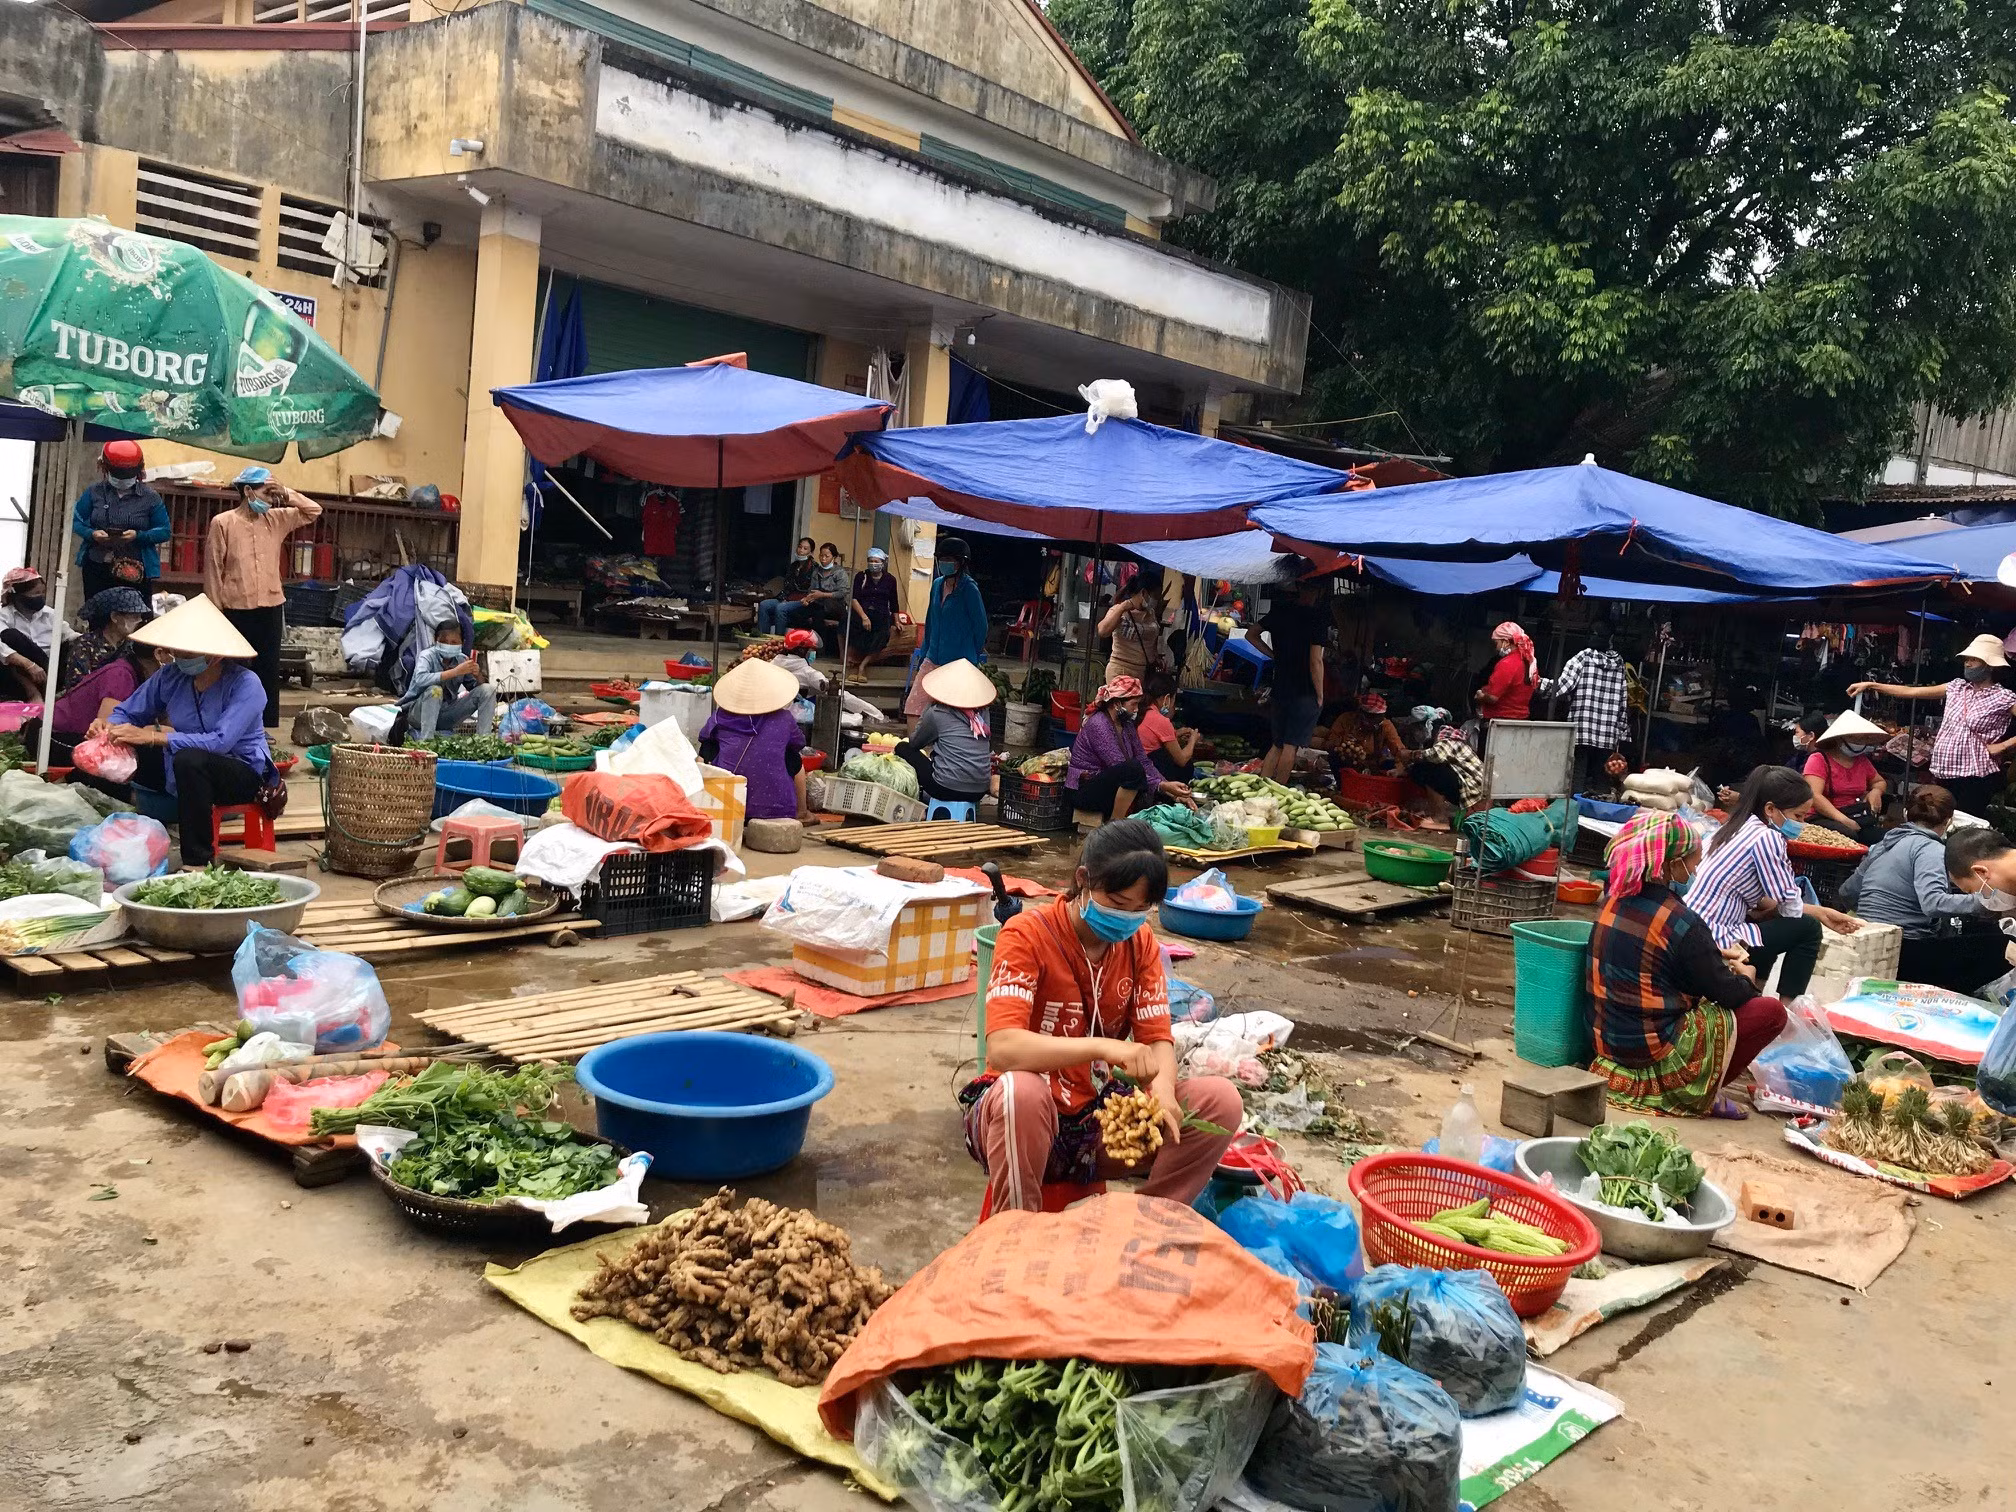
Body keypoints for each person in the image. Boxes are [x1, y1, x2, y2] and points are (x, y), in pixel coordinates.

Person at [961, 820, 1243, 1215]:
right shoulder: (1027, 935)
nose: (1126, 918)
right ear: (1084, 881)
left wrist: (1162, 1088)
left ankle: (1150, 1224)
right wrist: (1104, 1047)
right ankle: (1015, 1232)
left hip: (1095, 1121)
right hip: (1021, 1124)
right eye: (1116, 903)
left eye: (1139, 909)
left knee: (1219, 1101)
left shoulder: (1139, 942)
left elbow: (1157, 1036)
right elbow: (1004, 1048)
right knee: (1019, 1093)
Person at [1587, 810, 1789, 1119]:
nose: (1695, 868)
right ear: (1671, 863)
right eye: (1693, 861)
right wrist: (1748, 977)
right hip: (1652, 1052)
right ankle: (1705, 1093)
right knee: (1771, 1012)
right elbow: (1728, 993)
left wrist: (1715, 952)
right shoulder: (1682, 921)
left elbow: (1657, 952)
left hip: (1608, 1042)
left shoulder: (1613, 899)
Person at [92, 595, 275, 867]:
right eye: (177, 652)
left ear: (215, 655)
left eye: (188, 654)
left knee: (189, 759)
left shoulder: (246, 684)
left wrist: (155, 736)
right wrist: (109, 726)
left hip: (241, 773)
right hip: (182, 768)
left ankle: (197, 861)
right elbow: (129, 711)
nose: (180, 659)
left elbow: (220, 742)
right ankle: (116, 828)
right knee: (103, 753)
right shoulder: (170, 676)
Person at [1687, 765, 1861, 997]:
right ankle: (1787, 1006)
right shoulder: (1767, 837)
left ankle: (1755, 992)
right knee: (1807, 929)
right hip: (1718, 933)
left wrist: (1811, 910)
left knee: (1765, 926)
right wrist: (1820, 914)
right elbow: (1789, 906)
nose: (1800, 824)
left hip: (1693, 924)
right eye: (1798, 816)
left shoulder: (1733, 826)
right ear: (1770, 809)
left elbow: (1760, 898)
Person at [1839, 786, 2003, 993]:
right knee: (2001, 945)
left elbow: (1847, 892)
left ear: (1906, 814)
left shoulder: (1882, 845)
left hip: (1869, 942)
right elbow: (1933, 903)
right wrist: (1990, 900)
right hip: (1905, 950)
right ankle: (1948, 994)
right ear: (1949, 821)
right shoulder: (1931, 849)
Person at [204, 465, 323, 730]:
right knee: (234, 668)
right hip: (234, 607)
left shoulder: (276, 519)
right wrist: (215, 613)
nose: (271, 498)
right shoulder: (223, 522)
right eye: (266, 492)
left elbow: (314, 511)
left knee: (267, 668)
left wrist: (287, 493)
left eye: (273, 493)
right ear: (248, 491)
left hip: (270, 605)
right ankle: (231, 724)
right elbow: (213, 568)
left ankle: (264, 726)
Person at [1848, 635, 2016, 818]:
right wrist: (1872, 685)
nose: (1968, 664)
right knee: (1940, 820)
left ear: (1989, 665)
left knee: (1963, 823)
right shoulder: (1956, 688)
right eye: (1967, 659)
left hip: (1975, 774)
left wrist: (2003, 745)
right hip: (1945, 770)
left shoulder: (2004, 697)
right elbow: (1913, 691)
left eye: (1974, 660)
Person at [20, 606, 156, 778]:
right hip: (50, 735)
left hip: (69, 733)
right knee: (107, 765)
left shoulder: (142, 675)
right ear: (160, 654)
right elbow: (106, 733)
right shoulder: (121, 675)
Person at [698, 657, 810, 823]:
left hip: (727, 804)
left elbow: (704, 747)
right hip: (776, 811)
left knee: (703, 755)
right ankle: (802, 811)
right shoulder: (785, 719)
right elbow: (799, 743)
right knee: (794, 759)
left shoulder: (719, 717)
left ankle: (702, 806)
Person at [1066, 677, 1195, 820]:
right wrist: (1162, 786)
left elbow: (1143, 760)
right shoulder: (1099, 724)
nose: (1137, 709)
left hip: (1106, 787)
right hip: (1083, 791)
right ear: (1117, 704)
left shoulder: (1127, 725)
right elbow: (1119, 765)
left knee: (1143, 767)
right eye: (1134, 704)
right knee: (1132, 770)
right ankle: (1115, 824)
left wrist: (1169, 789)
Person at [70, 439, 169, 602]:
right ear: (104, 468)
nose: (122, 479)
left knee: (136, 617)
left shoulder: (150, 497)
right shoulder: (93, 492)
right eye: (117, 474)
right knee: (98, 615)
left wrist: (138, 536)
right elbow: (75, 521)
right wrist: (91, 534)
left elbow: (164, 531)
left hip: (135, 570)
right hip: (97, 565)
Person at [1255, 570, 1329, 784]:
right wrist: (1320, 694)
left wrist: (1272, 654)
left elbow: (1252, 633)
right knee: (1290, 746)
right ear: (1318, 592)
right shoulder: (1317, 620)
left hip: (1280, 689)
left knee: (1277, 745)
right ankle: (1278, 791)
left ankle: (1262, 787)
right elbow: (1316, 661)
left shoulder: (1281, 611)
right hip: (1304, 692)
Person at [905, 535, 989, 724]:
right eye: (942, 560)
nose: (945, 564)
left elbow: (981, 626)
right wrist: (925, 654)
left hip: (959, 663)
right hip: (933, 657)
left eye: (950, 560)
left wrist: (971, 656)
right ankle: (916, 750)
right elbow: (931, 621)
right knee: (914, 706)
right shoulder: (937, 585)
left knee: (952, 713)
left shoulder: (969, 589)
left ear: (961, 563)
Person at [1540, 622, 1630, 793]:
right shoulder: (1619, 663)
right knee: (1601, 777)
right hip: (1607, 733)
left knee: (1577, 775)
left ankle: (1574, 811)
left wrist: (1538, 683)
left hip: (1582, 729)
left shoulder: (1583, 657)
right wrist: (1621, 732)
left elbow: (1562, 687)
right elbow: (1623, 700)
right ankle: (1597, 814)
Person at [895, 659, 995, 806]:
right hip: (979, 790)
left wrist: (929, 706)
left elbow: (915, 742)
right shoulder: (982, 713)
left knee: (902, 748)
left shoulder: (938, 713)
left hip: (945, 788)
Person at [401, 619, 497, 740]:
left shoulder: (462, 659)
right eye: (444, 642)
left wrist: (477, 675)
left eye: (454, 642)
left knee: (488, 689)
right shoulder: (427, 656)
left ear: (462, 643)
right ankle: (426, 742)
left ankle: (483, 741)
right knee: (435, 691)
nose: (449, 645)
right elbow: (420, 679)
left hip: (447, 715)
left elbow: (476, 689)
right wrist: (454, 672)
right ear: (435, 640)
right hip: (419, 715)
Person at [1801, 711, 1888, 842]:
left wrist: (1876, 791)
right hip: (1822, 817)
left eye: (1862, 739)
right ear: (1839, 739)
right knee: (1851, 836)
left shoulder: (1861, 761)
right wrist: (1844, 820)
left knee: (1886, 837)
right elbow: (1815, 796)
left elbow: (1879, 781)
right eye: (1854, 739)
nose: (1860, 742)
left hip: (1853, 814)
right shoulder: (1819, 759)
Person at [61, 587, 152, 691]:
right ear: (114, 617)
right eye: (134, 616)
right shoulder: (84, 646)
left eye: (140, 616)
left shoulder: (133, 646)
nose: (139, 621)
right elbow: (76, 689)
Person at [1098, 566, 1170, 684]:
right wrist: (1123, 607)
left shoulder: (1151, 613)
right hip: (1120, 671)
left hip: (1143, 672)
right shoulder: (1120, 611)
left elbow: (1152, 641)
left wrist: (1155, 657)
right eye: (1155, 596)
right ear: (1144, 593)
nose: (1157, 600)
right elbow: (1102, 631)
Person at [1407, 722, 1486, 821]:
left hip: (1475, 793)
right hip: (1478, 791)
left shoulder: (1450, 742)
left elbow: (1436, 755)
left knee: (1429, 771)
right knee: (1422, 769)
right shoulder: (1461, 745)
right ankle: (1434, 812)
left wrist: (1411, 754)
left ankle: (1439, 818)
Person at [1316, 690, 1407, 775]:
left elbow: (1399, 749)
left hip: (1373, 766)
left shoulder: (1386, 726)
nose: (1374, 724)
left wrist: (1399, 769)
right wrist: (1342, 742)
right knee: (1334, 758)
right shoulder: (1346, 719)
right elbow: (1330, 742)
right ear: (1361, 714)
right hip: (1346, 763)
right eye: (1371, 718)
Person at [0, 566, 56, 700]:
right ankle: (33, 692)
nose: (40, 597)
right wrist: (28, 664)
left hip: (49, 670)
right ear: (18, 596)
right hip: (16, 674)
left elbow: (70, 635)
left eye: (42, 593)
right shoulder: (4, 616)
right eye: (36, 594)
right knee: (10, 637)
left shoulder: (51, 615)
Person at [1136, 672, 1199, 783]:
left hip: (1139, 766)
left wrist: (1176, 733)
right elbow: (1182, 760)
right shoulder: (1160, 720)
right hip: (1150, 771)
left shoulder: (1142, 710)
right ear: (1167, 698)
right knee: (1187, 765)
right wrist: (1193, 740)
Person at [848, 546, 901, 674]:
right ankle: (849, 659)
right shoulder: (861, 576)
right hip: (862, 612)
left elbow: (894, 602)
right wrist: (864, 617)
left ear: (883, 563)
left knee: (883, 635)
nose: (873, 564)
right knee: (850, 625)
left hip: (881, 614)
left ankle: (863, 665)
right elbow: (854, 598)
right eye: (871, 561)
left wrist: (897, 621)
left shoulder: (890, 580)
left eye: (876, 561)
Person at [1475, 620, 1538, 724]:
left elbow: (1493, 698)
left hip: (1500, 722)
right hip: (1521, 721)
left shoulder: (1507, 663)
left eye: (1497, 643)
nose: (1496, 647)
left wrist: (1480, 696)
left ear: (1506, 642)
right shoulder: (1530, 662)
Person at [755, 538, 818, 635]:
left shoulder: (814, 568)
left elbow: (812, 590)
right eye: (800, 547)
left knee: (781, 608)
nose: (801, 550)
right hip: (788, 598)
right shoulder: (793, 566)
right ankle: (763, 639)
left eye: (805, 548)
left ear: (811, 552)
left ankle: (779, 642)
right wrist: (784, 598)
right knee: (764, 604)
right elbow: (787, 586)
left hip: (802, 601)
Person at [798, 542, 851, 650]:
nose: (823, 559)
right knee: (801, 612)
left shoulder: (839, 572)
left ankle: (819, 648)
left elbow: (842, 592)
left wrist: (823, 594)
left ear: (834, 557)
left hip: (835, 605)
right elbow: (812, 590)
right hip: (818, 603)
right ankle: (801, 645)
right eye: (821, 555)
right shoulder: (817, 572)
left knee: (819, 612)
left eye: (827, 556)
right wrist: (807, 598)